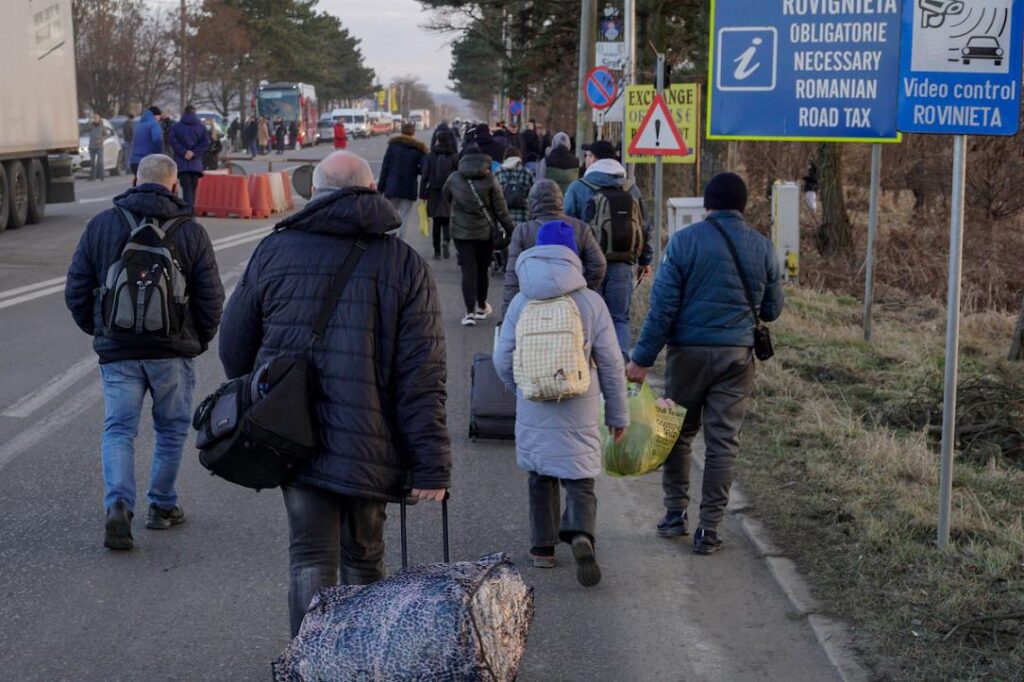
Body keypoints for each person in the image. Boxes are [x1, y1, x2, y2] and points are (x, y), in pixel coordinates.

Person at [217, 150, 451, 638]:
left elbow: (235, 349)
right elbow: (422, 374)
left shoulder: (274, 250)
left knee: (308, 558)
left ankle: (310, 664)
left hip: (291, 436)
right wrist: (430, 464)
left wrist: (263, 396)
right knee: (365, 560)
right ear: (372, 192)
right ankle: (362, 660)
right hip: (372, 442)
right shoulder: (404, 263)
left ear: (314, 193)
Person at [64, 153, 224, 551]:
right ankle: (162, 506)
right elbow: (211, 298)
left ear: (134, 181)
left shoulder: (102, 224)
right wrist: (196, 340)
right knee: (170, 430)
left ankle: (118, 502)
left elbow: (76, 289)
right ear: (173, 185)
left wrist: (100, 330)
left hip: (118, 351)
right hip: (172, 351)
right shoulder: (191, 231)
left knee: (119, 429)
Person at [626, 172, 784, 556]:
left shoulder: (683, 243)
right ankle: (709, 528)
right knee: (722, 442)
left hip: (687, 356)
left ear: (707, 205)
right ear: (743, 206)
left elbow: (662, 309)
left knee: (676, 433)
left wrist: (642, 360)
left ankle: (674, 514)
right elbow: (772, 309)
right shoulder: (763, 248)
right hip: (736, 355)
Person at [493, 222, 628, 587]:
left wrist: (522, 387)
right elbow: (613, 363)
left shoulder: (522, 299)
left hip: (534, 397)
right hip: (580, 400)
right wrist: (617, 414)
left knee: (540, 474)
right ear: (573, 255)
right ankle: (581, 532)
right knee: (579, 475)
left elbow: (502, 357)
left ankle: (542, 549)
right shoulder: (590, 301)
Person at [564, 139, 653, 357]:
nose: (585, 160)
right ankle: (620, 368)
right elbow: (644, 226)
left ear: (593, 158)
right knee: (619, 318)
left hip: (589, 265)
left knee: (589, 316)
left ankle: (590, 367)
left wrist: (568, 262)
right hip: (623, 263)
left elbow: (567, 226)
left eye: (587, 156)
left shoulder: (579, 187)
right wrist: (645, 260)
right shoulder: (631, 188)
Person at [502, 180, 606, 316]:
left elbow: (512, 277)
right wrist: (582, 287)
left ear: (531, 202)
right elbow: (598, 264)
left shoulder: (523, 231)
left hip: (533, 301)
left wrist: (509, 311)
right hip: (571, 300)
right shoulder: (581, 228)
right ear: (560, 200)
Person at [443, 145, 515, 327]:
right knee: (482, 270)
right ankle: (482, 306)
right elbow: (500, 208)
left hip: (461, 232)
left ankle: (469, 312)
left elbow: (446, 197)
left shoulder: (454, 179)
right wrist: (511, 229)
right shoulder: (490, 179)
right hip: (485, 232)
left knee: (468, 270)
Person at [377, 122, 427, 240]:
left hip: (392, 186)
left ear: (401, 132)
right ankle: (401, 240)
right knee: (404, 216)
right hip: (409, 187)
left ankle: (391, 239)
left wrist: (380, 189)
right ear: (413, 133)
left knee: (391, 215)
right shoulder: (419, 149)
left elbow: (385, 168)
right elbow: (424, 169)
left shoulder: (392, 147)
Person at [419, 126, 459, 259]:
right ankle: (446, 240)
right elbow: (458, 175)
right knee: (447, 220)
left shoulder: (430, 155)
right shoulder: (454, 156)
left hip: (434, 191)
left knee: (436, 221)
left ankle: (437, 251)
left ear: (437, 140)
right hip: (450, 191)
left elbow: (425, 174)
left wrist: (422, 192)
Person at [168, 105, 211, 209]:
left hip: (182, 162)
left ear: (184, 113)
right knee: (193, 188)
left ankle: (188, 209)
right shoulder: (201, 127)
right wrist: (194, 153)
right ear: (194, 113)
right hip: (196, 164)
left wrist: (184, 152)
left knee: (186, 187)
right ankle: (190, 208)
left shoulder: (176, 126)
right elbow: (206, 143)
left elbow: (172, 141)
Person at [494, 147, 534, 227]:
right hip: (523, 218)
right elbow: (533, 196)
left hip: (503, 219)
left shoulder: (498, 173)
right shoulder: (527, 173)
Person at [129, 106, 165, 176]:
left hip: (134, 162)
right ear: (156, 115)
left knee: (139, 184)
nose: (159, 119)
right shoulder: (153, 124)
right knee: (151, 185)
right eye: (159, 117)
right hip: (148, 162)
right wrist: (160, 156)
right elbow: (157, 141)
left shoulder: (138, 124)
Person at [87, 114, 106, 181]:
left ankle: (102, 176)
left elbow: (106, 134)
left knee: (100, 162)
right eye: (94, 118)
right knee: (92, 162)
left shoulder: (102, 126)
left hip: (99, 146)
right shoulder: (91, 126)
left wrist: (101, 140)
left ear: (99, 119)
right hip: (92, 146)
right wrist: (89, 122)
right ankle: (93, 177)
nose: (95, 119)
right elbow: (85, 129)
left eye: (96, 118)